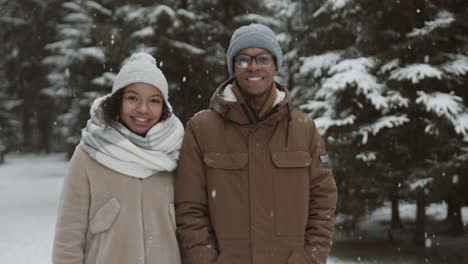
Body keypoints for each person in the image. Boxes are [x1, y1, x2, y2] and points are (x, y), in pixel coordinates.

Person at [175, 23, 337, 264]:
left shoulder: (304, 128)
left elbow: (323, 201)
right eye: (243, 59)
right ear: (233, 67)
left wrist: (311, 258)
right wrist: (207, 259)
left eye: (262, 58)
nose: (253, 67)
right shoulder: (201, 128)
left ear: (275, 65)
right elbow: (189, 208)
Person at [52, 52, 183, 264]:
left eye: (154, 100)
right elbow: (68, 236)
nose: (143, 108)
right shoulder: (89, 153)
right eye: (132, 98)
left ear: (164, 107)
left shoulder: (177, 152)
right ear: (117, 100)